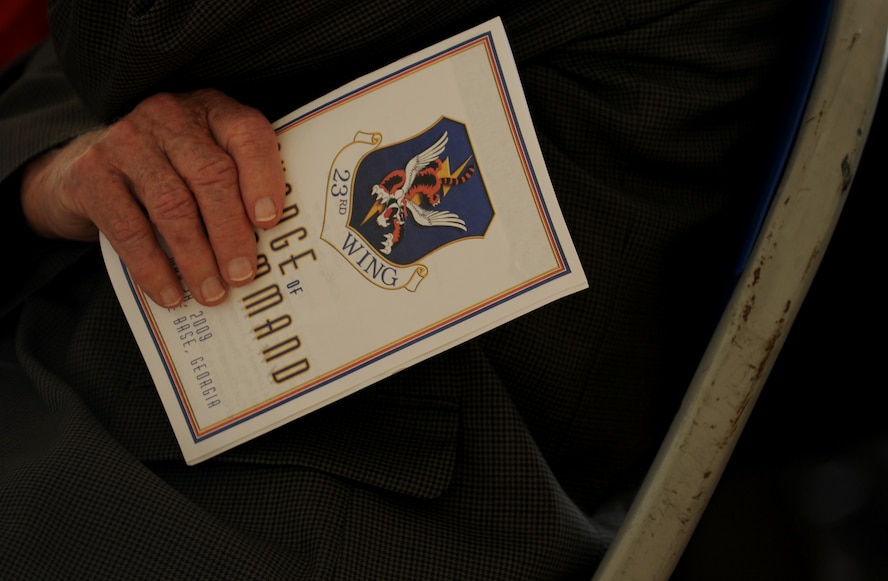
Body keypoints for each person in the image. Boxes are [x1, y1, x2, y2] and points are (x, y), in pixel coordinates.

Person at [1, 0, 800, 577]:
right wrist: (52, 173)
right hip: (118, 369)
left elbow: (135, 28)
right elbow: (105, 76)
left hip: (288, 496)